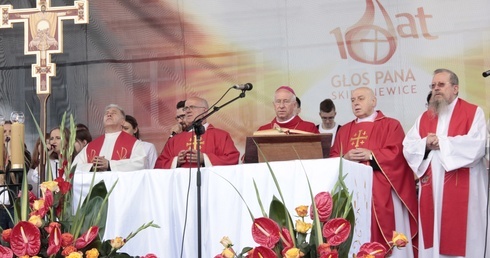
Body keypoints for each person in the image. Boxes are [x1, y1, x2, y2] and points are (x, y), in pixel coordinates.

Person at [403, 68, 487, 258]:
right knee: (435, 234)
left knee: (466, 238)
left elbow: (477, 144)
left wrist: (442, 142)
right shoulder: (425, 116)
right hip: (432, 190)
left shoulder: (473, 112)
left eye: (441, 84)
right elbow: (408, 146)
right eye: (433, 86)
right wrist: (425, 143)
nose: (436, 89)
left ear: (455, 88)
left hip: (466, 187)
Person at [330, 87, 418, 257]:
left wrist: (372, 155)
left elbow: (398, 154)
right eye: (353, 100)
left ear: (373, 101)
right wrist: (345, 158)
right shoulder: (344, 130)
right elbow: (334, 157)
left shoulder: (391, 125)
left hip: (383, 190)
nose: (356, 103)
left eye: (361, 98)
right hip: (353, 194)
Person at [155, 96, 240, 169]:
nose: (187, 111)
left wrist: (204, 159)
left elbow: (232, 159)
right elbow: (159, 165)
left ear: (205, 111)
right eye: (186, 108)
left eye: (192, 107)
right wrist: (176, 161)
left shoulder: (221, 136)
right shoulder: (175, 140)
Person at [72, 104, 147, 172]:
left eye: (113, 113)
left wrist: (109, 165)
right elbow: (74, 167)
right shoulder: (90, 146)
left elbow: (140, 163)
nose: (109, 114)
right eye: (106, 113)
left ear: (122, 122)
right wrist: (92, 167)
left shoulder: (134, 143)